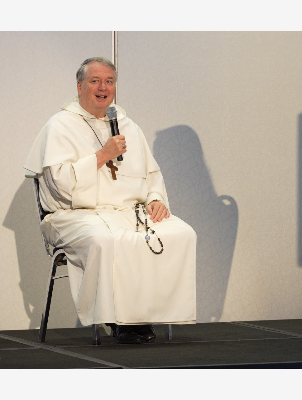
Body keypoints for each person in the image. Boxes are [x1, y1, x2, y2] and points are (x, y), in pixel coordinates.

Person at [24, 57, 196, 344]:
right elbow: (59, 185)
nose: (103, 88)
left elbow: (151, 173)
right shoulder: (61, 126)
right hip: (75, 215)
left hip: (130, 211)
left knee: (181, 233)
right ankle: (116, 321)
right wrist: (102, 155)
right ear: (79, 86)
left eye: (109, 81)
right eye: (95, 81)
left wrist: (155, 198)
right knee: (105, 240)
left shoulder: (127, 124)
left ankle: (147, 315)